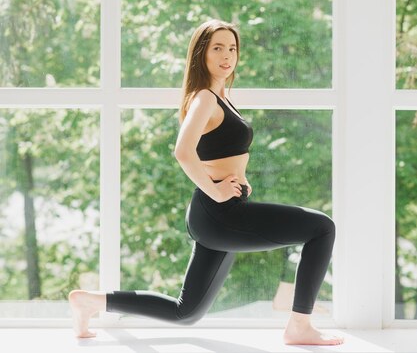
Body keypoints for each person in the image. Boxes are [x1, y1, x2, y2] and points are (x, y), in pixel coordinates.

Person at [69, 18, 344, 346]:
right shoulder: (204, 98)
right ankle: (299, 326)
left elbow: (219, 150)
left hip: (219, 211)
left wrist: (239, 180)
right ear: (201, 54)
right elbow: (183, 151)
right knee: (322, 228)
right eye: (217, 48)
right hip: (219, 212)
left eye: (232, 48)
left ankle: (91, 302)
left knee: (187, 312)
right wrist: (215, 189)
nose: (227, 55)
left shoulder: (219, 96)